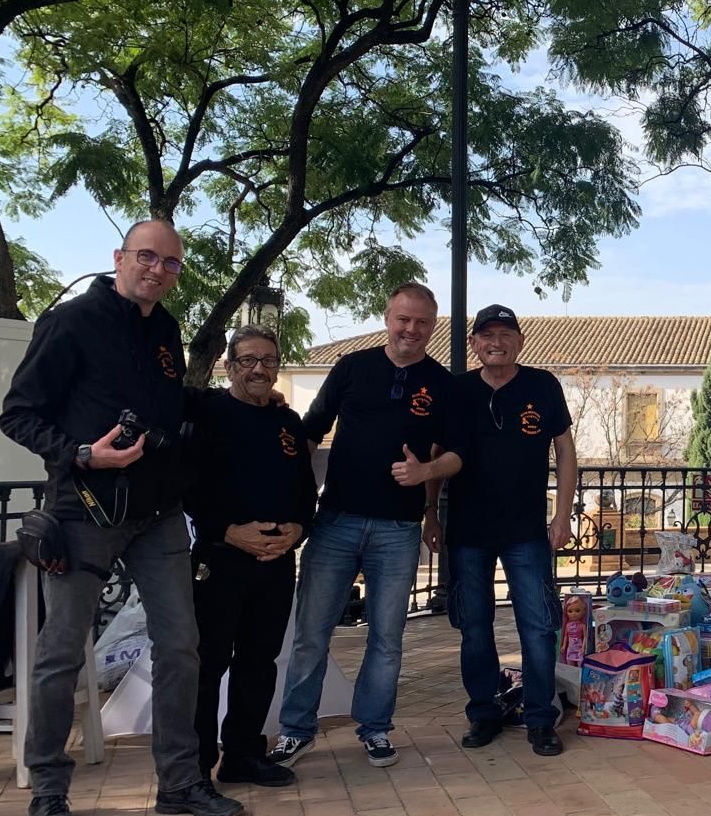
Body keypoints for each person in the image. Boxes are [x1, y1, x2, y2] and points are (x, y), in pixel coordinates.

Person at [0, 220, 243, 816]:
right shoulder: (70, 323)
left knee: (181, 644)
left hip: (157, 513)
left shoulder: (164, 327)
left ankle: (180, 782)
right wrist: (82, 452)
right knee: (58, 656)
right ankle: (48, 792)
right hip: (83, 510)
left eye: (170, 263)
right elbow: (17, 415)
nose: (157, 269)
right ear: (119, 257)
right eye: (146, 257)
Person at [271, 283, 465, 769]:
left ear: (432, 326)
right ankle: (296, 730)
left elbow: (458, 455)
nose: (410, 329)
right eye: (403, 319)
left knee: (386, 638)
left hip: (398, 530)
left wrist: (425, 476)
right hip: (335, 521)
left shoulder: (442, 383)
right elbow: (310, 430)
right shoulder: (352, 367)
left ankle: (375, 728)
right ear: (387, 317)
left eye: (421, 322)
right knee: (312, 633)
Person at [438, 304, 576, 757]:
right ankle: (484, 712)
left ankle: (540, 718)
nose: (495, 342)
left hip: (526, 531)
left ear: (519, 341)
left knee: (537, 627)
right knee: (474, 627)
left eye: (505, 334)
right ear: (474, 343)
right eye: (486, 335)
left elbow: (566, 453)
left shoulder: (543, 385)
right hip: (467, 530)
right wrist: (429, 516)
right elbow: (437, 453)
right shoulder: (455, 390)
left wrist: (562, 516)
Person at [186, 324, 316, 788]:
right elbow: (190, 488)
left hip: (277, 561)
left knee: (260, 664)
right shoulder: (206, 413)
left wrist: (298, 530)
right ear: (229, 366)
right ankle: (195, 768)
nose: (260, 369)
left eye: (268, 360)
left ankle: (242, 755)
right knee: (207, 663)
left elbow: (305, 488)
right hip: (220, 559)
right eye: (248, 360)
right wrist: (227, 531)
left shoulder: (288, 422)